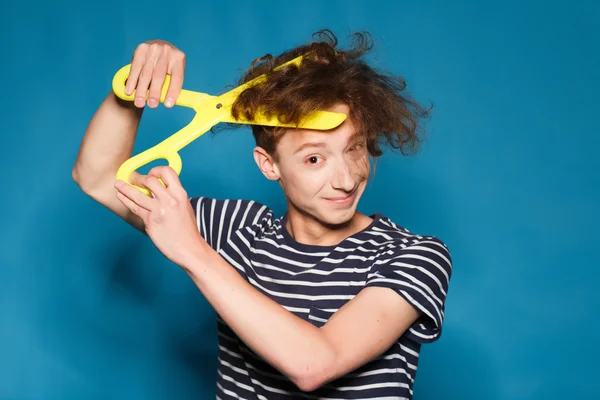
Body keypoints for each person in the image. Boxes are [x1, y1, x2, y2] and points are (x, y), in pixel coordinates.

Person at [72, 29, 453, 400]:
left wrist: (191, 251)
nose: (347, 178)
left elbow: (315, 364)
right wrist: (137, 88)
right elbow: (98, 177)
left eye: (354, 148)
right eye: (315, 158)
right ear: (269, 164)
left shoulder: (414, 256)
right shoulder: (237, 231)